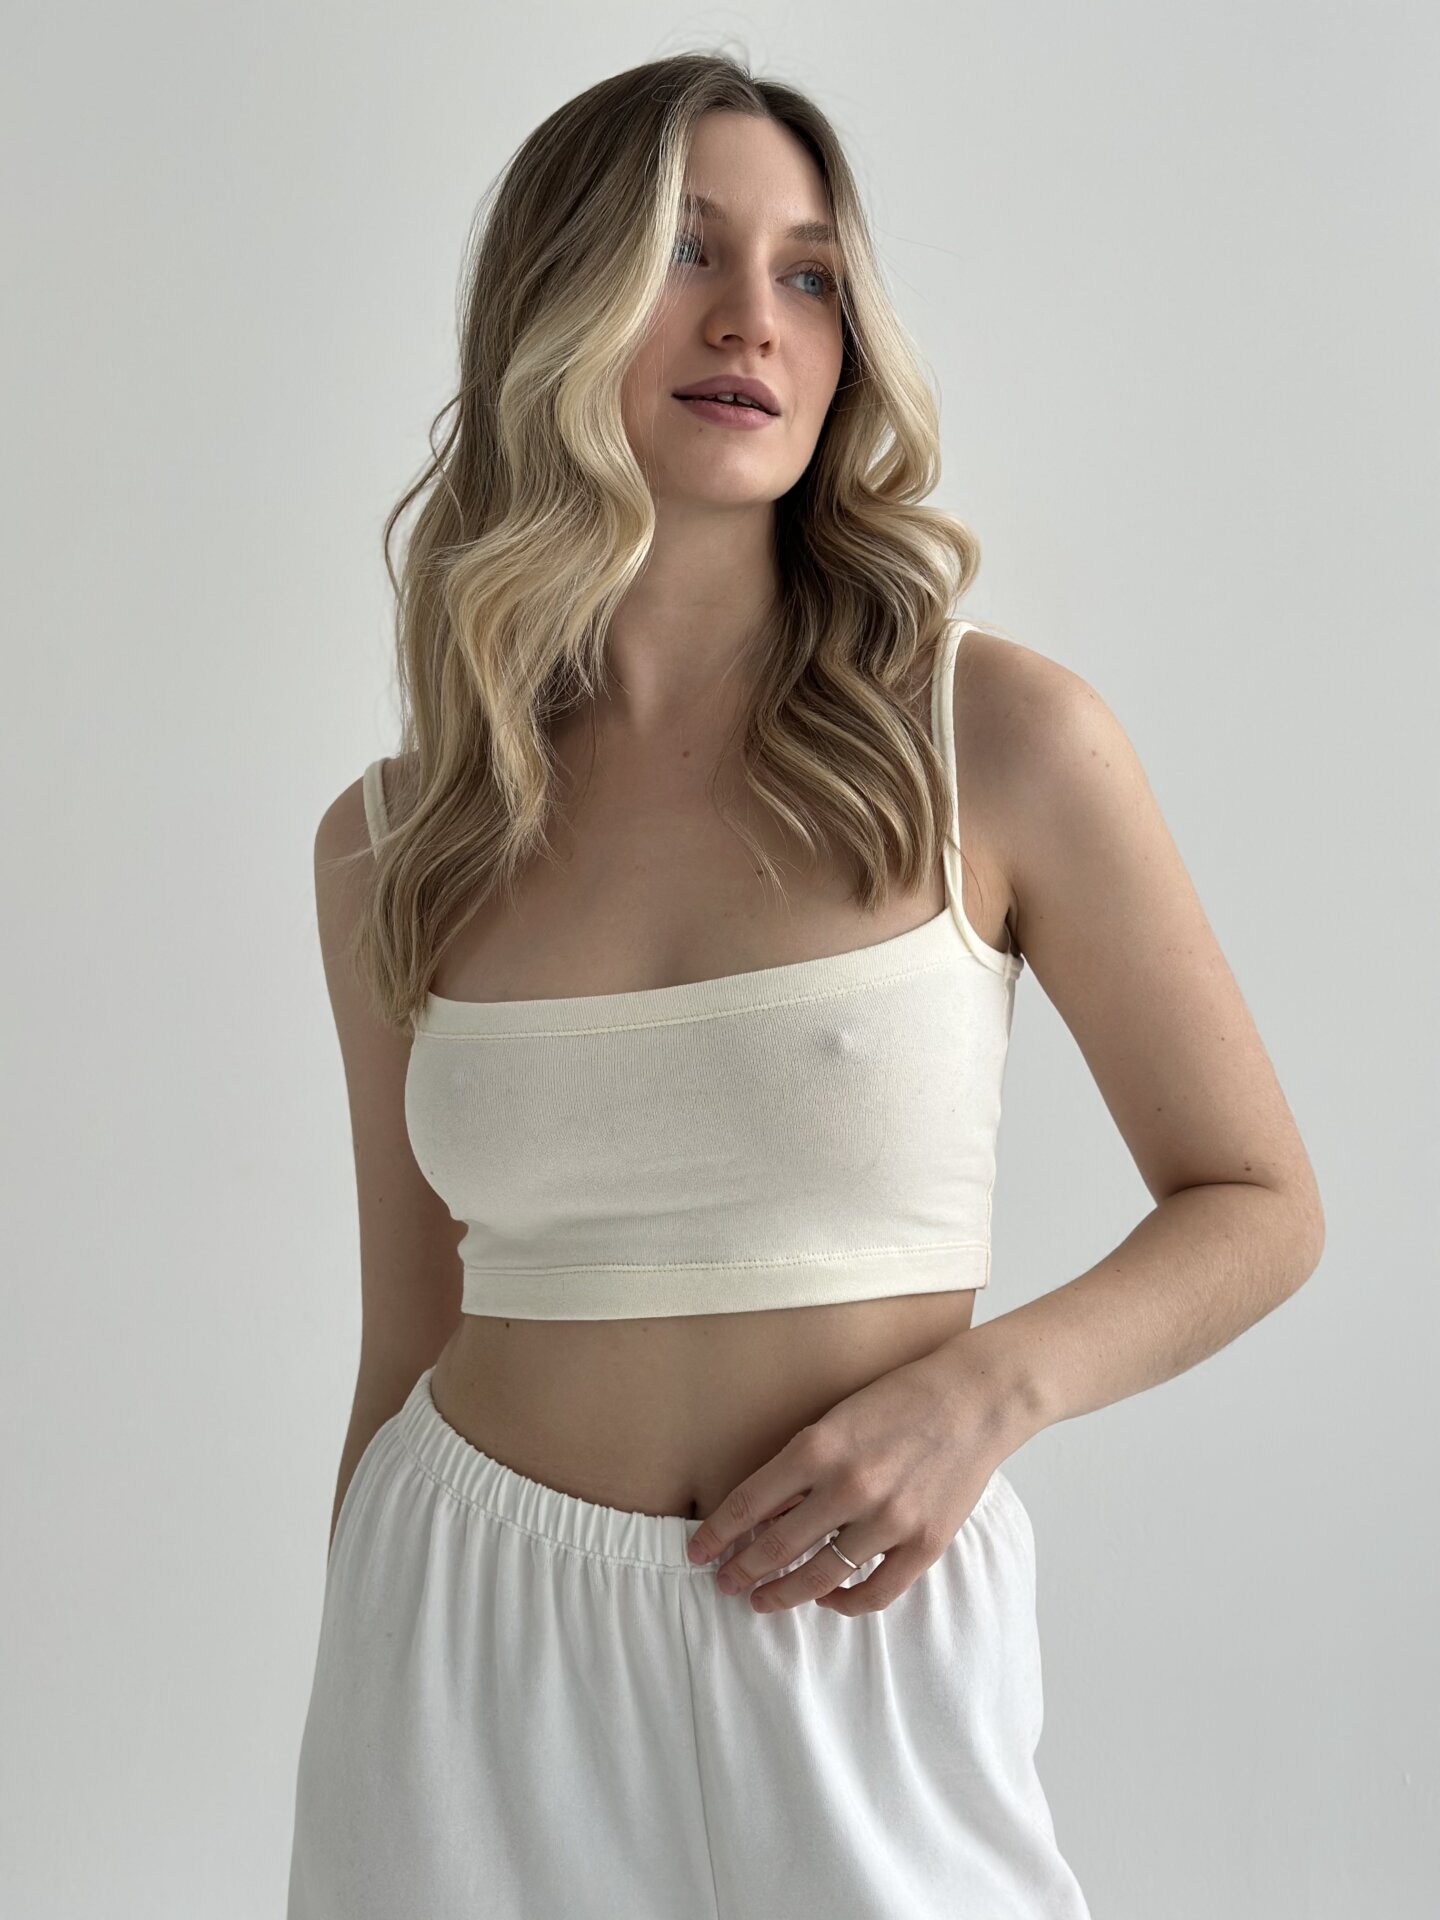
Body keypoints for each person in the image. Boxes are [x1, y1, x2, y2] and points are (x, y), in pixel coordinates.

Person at [286, 50, 1324, 1920]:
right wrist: (360, 1655)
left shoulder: (995, 742)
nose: (754, 320)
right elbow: (403, 1331)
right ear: (554, 306)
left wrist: (986, 1396)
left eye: (811, 273)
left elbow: (1257, 1202)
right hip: (463, 1648)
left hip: (862, 1638)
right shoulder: (398, 837)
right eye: (686, 250)